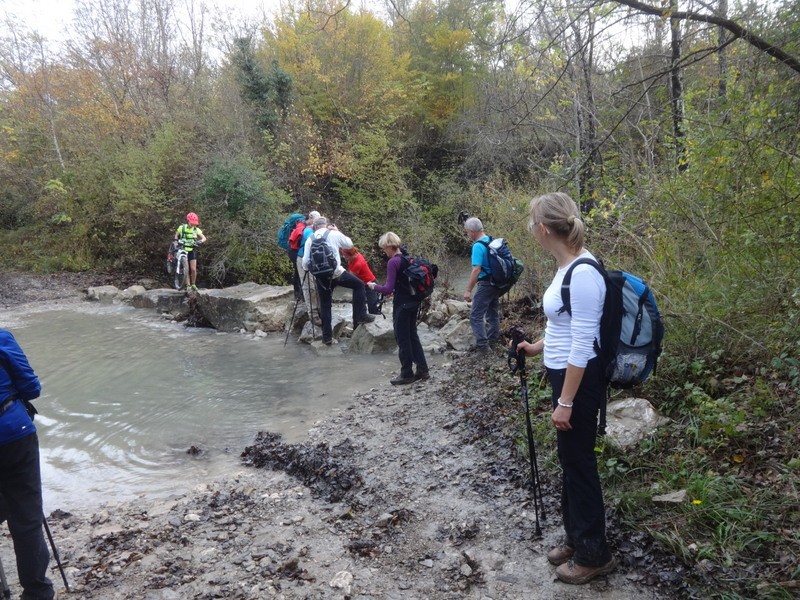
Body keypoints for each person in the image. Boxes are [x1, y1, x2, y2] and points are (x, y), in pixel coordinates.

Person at [515, 192, 617, 584]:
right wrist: (536, 346)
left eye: (531, 224)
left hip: (579, 382)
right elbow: (564, 324)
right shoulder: (565, 267)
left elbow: (583, 343)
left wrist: (566, 401)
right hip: (565, 376)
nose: (532, 231)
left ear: (543, 230)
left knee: (580, 465)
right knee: (571, 462)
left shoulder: (584, 273)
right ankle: (576, 538)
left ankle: (595, 553)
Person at [0, 329, 56, 600]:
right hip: (13, 434)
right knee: (27, 517)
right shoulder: (1, 338)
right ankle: (37, 592)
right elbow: (32, 388)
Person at [368, 232, 429, 385]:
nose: (385, 252)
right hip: (414, 302)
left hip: (402, 305)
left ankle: (406, 373)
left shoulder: (393, 262)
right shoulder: (408, 258)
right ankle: (423, 369)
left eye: (384, 248)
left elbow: (388, 288)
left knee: (402, 339)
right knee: (412, 336)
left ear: (389, 246)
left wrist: (374, 286)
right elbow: (403, 283)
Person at [301, 217, 374, 345]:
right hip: (337, 273)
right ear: (327, 225)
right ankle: (359, 317)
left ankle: (327, 337)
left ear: (315, 227)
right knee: (359, 286)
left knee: (325, 305)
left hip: (321, 278)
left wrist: (316, 271)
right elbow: (349, 244)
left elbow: (305, 264)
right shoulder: (334, 234)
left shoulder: (310, 239)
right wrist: (337, 230)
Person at [462, 217, 502, 354]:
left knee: (475, 316)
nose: (468, 234)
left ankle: (484, 349)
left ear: (472, 231)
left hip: (485, 284)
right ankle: (493, 342)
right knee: (492, 314)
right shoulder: (491, 241)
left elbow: (476, 270)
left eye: (467, 232)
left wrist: (468, 290)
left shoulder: (478, 246)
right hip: (496, 283)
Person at [295, 211, 321, 321]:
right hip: (303, 260)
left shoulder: (312, 231)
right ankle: (313, 315)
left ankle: (319, 310)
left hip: (313, 261)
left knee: (315, 286)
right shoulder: (308, 232)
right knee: (308, 287)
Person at [342, 247, 381, 315]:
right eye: (344, 255)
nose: (344, 258)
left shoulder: (358, 264)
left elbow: (349, 278)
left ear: (352, 255)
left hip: (370, 284)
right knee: (358, 305)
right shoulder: (355, 254)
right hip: (362, 283)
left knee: (373, 309)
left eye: (346, 256)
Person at [174, 212, 207, 291]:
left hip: (192, 250)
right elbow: (176, 235)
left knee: (193, 269)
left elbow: (204, 238)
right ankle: (188, 285)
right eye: (192, 223)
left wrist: (200, 241)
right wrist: (176, 242)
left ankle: (193, 284)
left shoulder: (196, 229)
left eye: (194, 223)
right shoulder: (181, 228)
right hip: (183, 249)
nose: (193, 225)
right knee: (186, 269)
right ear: (188, 221)